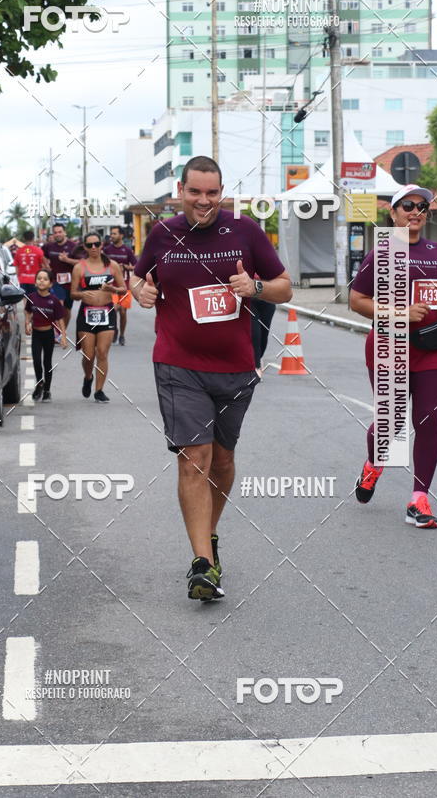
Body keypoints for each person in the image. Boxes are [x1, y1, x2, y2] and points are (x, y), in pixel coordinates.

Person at [131, 155, 292, 601]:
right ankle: (202, 563)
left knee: (222, 460)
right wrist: (139, 290)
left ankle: (209, 535)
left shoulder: (244, 232)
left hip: (236, 368)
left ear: (222, 192)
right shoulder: (162, 235)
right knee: (194, 457)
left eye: (212, 192)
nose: (204, 200)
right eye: (195, 191)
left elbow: (284, 286)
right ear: (180, 190)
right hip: (177, 364)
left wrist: (254, 288)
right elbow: (139, 280)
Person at [350, 184, 437, 528]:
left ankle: (419, 498)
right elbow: (357, 301)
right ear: (393, 213)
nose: (416, 212)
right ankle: (373, 465)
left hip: (432, 347)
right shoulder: (382, 254)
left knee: (428, 421)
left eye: (422, 208)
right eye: (408, 206)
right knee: (392, 422)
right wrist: (398, 313)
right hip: (389, 347)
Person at [70, 231, 127, 403]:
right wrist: (82, 295)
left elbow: (123, 289)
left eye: (96, 244)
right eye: (89, 245)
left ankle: (99, 390)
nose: (93, 247)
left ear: (102, 244)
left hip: (106, 313)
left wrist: (113, 290)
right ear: (85, 247)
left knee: (102, 352)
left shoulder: (113, 265)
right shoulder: (79, 267)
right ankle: (88, 378)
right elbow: (72, 293)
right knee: (88, 355)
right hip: (87, 314)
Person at [25, 270, 67, 402]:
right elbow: (27, 311)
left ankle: (47, 391)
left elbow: (60, 320)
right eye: (39, 278)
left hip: (48, 334)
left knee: (47, 363)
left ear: (50, 283)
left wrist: (63, 337)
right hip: (36, 334)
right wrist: (27, 323)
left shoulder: (54, 301)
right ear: (35, 282)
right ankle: (39, 384)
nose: (41, 281)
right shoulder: (31, 297)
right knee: (37, 361)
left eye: (45, 279)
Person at [103, 225, 137, 346]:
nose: (112, 236)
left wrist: (126, 267)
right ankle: (115, 330)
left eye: (114, 234)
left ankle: (121, 334)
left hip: (124, 285)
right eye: (111, 234)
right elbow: (102, 264)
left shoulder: (127, 250)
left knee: (123, 312)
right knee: (114, 308)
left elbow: (135, 266)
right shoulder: (107, 250)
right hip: (111, 286)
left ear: (121, 235)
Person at [42, 223, 77, 334]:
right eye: (55, 232)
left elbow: (82, 263)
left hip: (70, 283)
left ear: (65, 232)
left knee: (67, 310)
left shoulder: (73, 246)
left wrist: (67, 260)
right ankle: (57, 332)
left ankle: (61, 332)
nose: (57, 234)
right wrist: (45, 265)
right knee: (58, 306)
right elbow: (40, 254)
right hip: (55, 282)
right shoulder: (49, 246)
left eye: (60, 232)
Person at [13, 230, 45, 295]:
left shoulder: (19, 251)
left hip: (22, 280)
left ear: (24, 239)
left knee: (26, 298)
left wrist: (18, 277)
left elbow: (17, 267)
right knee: (35, 298)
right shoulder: (39, 251)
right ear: (33, 238)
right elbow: (43, 266)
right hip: (35, 279)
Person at [251, 297, 276, 377]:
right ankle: (256, 367)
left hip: (267, 298)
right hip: (248, 300)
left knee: (263, 335)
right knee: (255, 334)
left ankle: (258, 357)